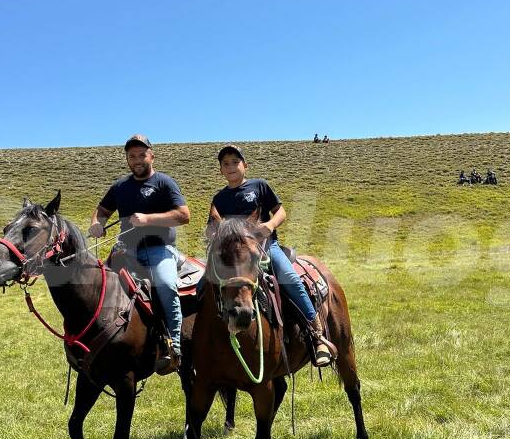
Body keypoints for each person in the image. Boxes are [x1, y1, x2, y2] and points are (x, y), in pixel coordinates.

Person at [209, 144, 338, 367]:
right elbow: (213, 227)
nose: (231, 167)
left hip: (266, 247)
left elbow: (281, 211)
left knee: (290, 279)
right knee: (204, 287)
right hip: (233, 255)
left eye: (235, 162)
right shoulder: (219, 198)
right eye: (225, 164)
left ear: (245, 165)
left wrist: (269, 225)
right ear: (221, 170)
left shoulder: (259, 187)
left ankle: (317, 335)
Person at [89, 134, 191, 374]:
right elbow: (102, 210)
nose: (137, 160)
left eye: (141, 154)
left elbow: (183, 215)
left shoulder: (165, 183)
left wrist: (148, 219)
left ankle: (174, 347)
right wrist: (96, 223)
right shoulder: (120, 187)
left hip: (159, 249)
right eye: (132, 156)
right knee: (98, 287)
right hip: (126, 251)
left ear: (151, 156)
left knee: (166, 285)